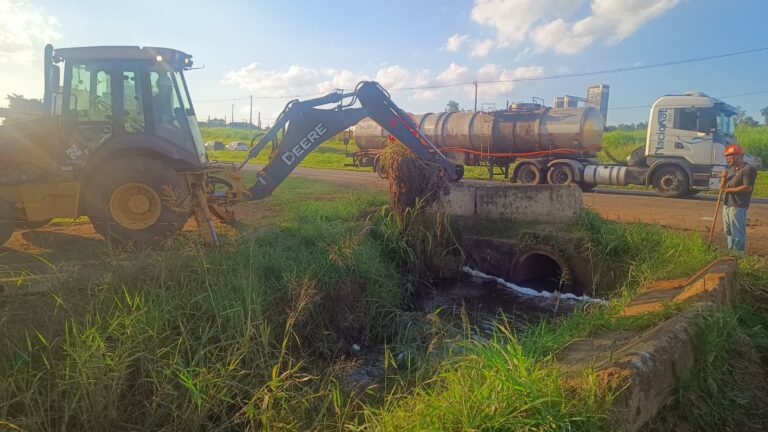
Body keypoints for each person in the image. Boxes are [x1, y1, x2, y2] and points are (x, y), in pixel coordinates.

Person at [720, 144, 757, 253]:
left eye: (730, 156)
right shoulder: (731, 170)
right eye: (727, 156)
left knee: (737, 232)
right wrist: (723, 177)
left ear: (738, 155)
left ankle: (738, 256)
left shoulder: (748, 169)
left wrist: (727, 190)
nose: (727, 158)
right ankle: (731, 253)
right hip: (727, 204)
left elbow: (747, 188)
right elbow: (723, 187)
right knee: (729, 231)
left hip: (738, 205)